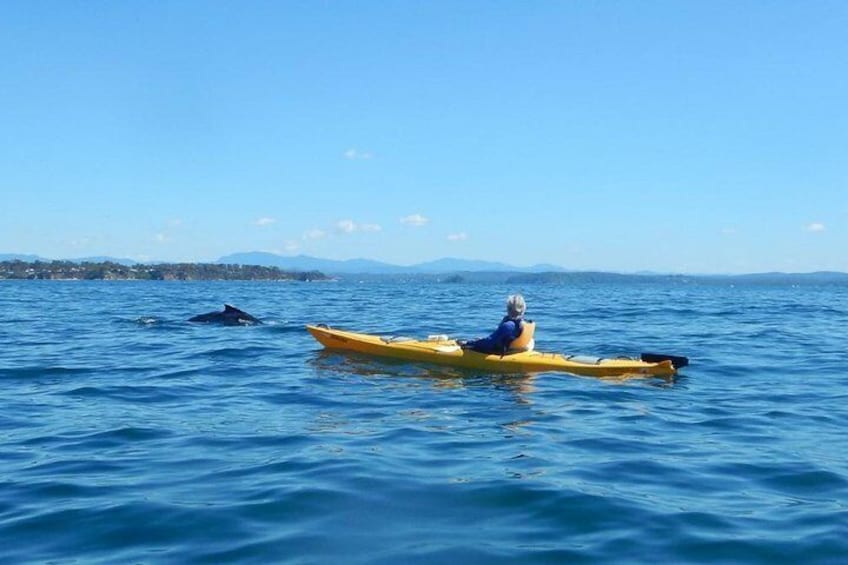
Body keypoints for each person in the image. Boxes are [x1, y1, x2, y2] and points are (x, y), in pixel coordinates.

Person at [460, 294, 535, 354]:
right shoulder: (526, 324)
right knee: (480, 340)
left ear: (508, 309)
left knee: (472, 343)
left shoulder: (508, 326)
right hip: (517, 350)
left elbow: (489, 343)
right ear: (523, 309)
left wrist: (468, 343)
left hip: (500, 352)